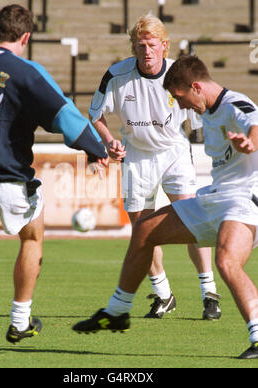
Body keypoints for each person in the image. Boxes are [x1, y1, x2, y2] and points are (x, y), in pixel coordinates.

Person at [73, 55, 258, 360]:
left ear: (196, 86)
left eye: (181, 98)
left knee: (226, 261)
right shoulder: (208, 110)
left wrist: (250, 143)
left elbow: (254, 122)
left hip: (244, 200)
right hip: (214, 198)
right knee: (144, 230)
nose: (181, 106)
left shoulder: (234, 104)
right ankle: (117, 312)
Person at [0, 4, 108, 357]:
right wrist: (95, 149)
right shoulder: (27, 72)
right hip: (9, 181)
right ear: (25, 37)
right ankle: (21, 319)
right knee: (32, 235)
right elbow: (64, 116)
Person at [88, 13, 220, 319]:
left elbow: (204, 112)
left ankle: (209, 293)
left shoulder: (179, 75)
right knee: (141, 230)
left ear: (164, 46)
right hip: (136, 155)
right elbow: (95, 113)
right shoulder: (116, 75)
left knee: (193, 221)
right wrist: (108, 140)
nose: (145, 51)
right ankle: (163, 294)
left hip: (174, 151)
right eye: (139, 45)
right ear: (133, 47)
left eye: (151, 45)